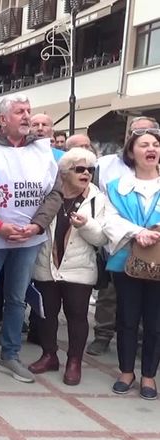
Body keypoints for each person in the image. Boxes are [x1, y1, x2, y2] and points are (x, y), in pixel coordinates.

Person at [0, 94, 62, 383]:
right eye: (19, 111)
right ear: (2, 119)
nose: (26, 116)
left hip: (29, 239)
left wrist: (36, 226)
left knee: (17, 299)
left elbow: (55, 192)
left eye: (29, 111)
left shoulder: (42, 150)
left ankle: (9, 355)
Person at [29, 148, 107, 386]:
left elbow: (102, 239)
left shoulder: (98, 199)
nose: (86, 174)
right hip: (47, 264)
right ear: (64, 173)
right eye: (80, 169)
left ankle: (74, 362)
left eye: (90, 170)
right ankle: (49, 355)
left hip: (79, 268)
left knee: (77, 316)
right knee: (46, 314)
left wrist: (86, 225)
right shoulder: (50, 195)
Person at [88, 117, 159, 356]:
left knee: (151, 312)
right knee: (111, 297)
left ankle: (143, 348)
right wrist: (135, 232)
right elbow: (100, 202)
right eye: (138, 134)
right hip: (121, 247)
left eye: (152, 136)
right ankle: (104, 335)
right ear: (128, 139)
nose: (148, 144)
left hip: (156, 252)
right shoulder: (108, 164)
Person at [102, 128, 160, 400]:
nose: (151, 148)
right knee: (127, 318)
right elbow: (109, 220)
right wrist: (138, 232)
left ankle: (149, 375)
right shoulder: (116, 188)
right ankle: (126, 371)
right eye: (144, 144)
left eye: (156, 144)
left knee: (155, 322)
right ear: (131, 153)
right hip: (128, 260)